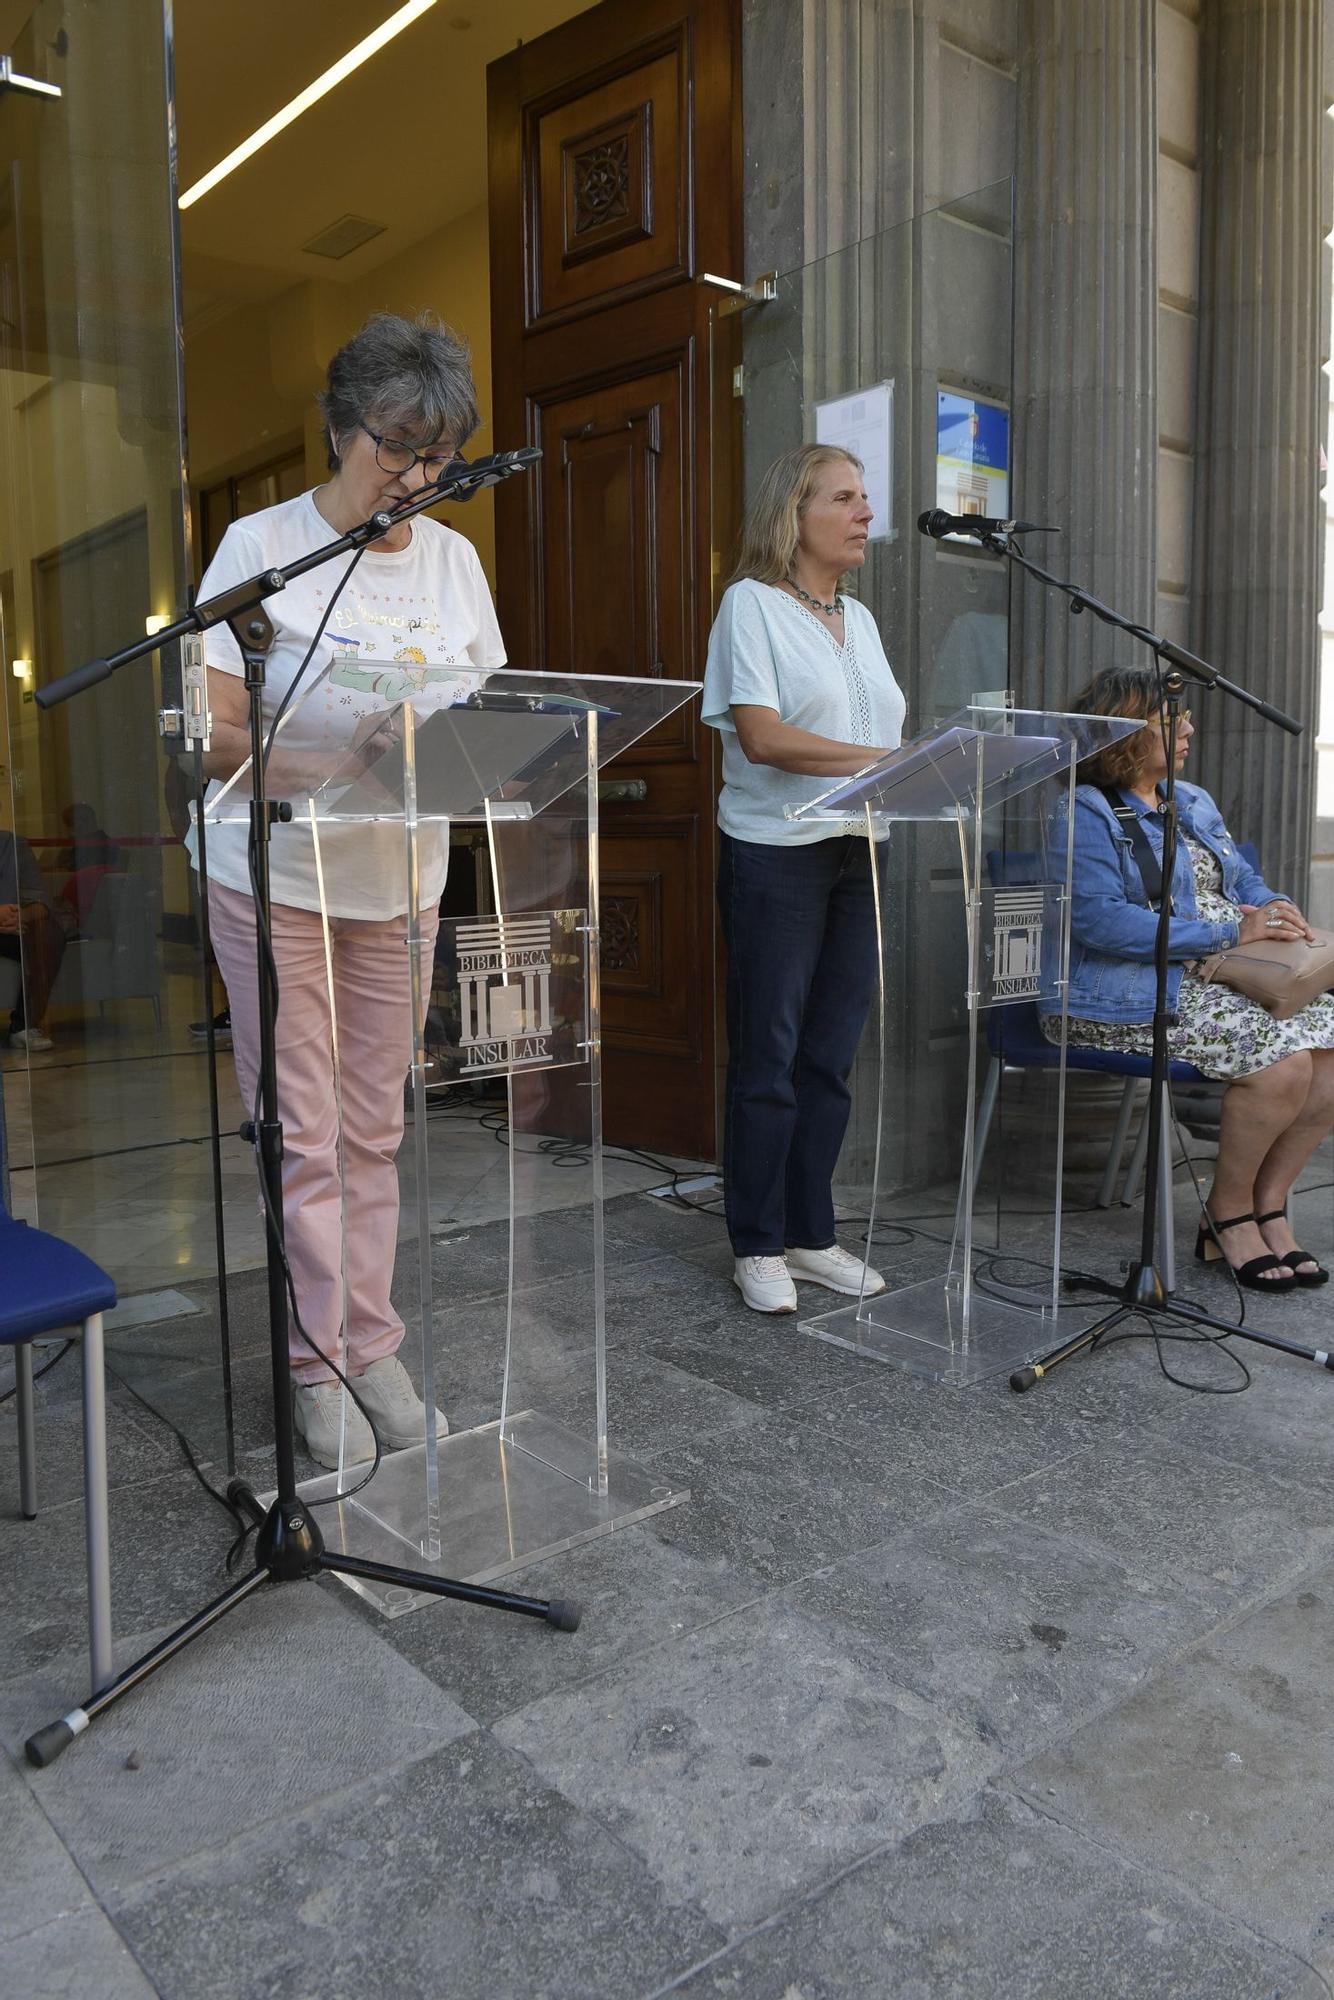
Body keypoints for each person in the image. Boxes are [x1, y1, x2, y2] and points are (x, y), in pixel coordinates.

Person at [190, 311, 506, 1465]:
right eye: (397, 450)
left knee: (374, 1127)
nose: (418, 479)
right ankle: (309, 1353)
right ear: (340, 430)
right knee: (302, 1128)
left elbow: (486, 711)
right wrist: (321, 761)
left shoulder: (454, 562)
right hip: (269, 871)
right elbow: (214, 726)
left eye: (437, 458)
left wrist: (447, 750)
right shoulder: (257, 546)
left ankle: (367, 1337)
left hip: (400, 878)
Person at [1043, 665, 1334, 1291]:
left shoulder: (1191, 797)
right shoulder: (1083, 810)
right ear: (1124, 735)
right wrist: (1230, 934)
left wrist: (1273, 906)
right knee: (1282, 1061)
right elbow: (1099, 923)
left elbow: (1239, 880)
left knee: (1330, 1049)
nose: (1189, 728)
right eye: (1170, 719)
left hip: (1218, 975)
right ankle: (1227, 1213)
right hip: (1123, 991)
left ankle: (1270, 1205)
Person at [701, 444, 907, 1313]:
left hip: (860, 850)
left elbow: (879, 736)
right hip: (775, 853)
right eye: (846, 498)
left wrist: (907, 770)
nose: (866, 514)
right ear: (796, 514)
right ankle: (755, 1241)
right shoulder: (749, 605)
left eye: (866, 499)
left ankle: (810, 1232)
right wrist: (893, 761)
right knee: (771, 1056)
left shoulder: (858, 618)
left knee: (829, 1056)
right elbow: (764, 736)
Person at [0, 827, 67, 1053]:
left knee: (48, 934)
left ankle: (23, 1025)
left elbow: (41, 898)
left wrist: (21, 915)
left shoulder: (13, 845)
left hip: (12, 924)